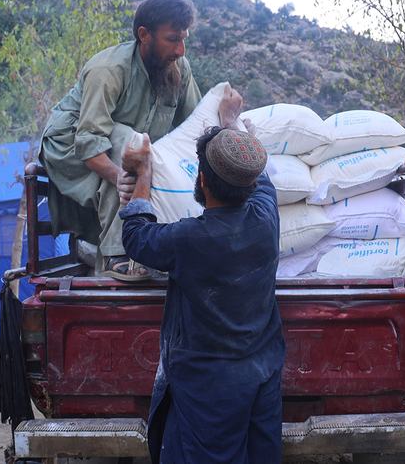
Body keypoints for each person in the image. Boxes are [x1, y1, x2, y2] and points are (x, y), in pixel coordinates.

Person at [116, 121, 284, 463]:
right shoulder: (266, 219)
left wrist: (144, 172)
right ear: (249, 184)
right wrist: (242, 137)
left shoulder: (188, 239)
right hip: (263, 372)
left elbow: (135, 235)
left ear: (202, 179)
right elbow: (261, 179)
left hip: (208, 385)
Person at [40, 0, 203, 281]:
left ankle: (160, 244)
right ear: (144, 35)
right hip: (71, 143)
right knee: (133, 145)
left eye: (184, 39)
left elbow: (194, 127)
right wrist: (119, 175)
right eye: (172, 39)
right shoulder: (108, 69)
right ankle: (119, 254)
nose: (181, 50)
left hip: (122, 143)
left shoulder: (179, 69)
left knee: (146, 151)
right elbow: (89, 140)